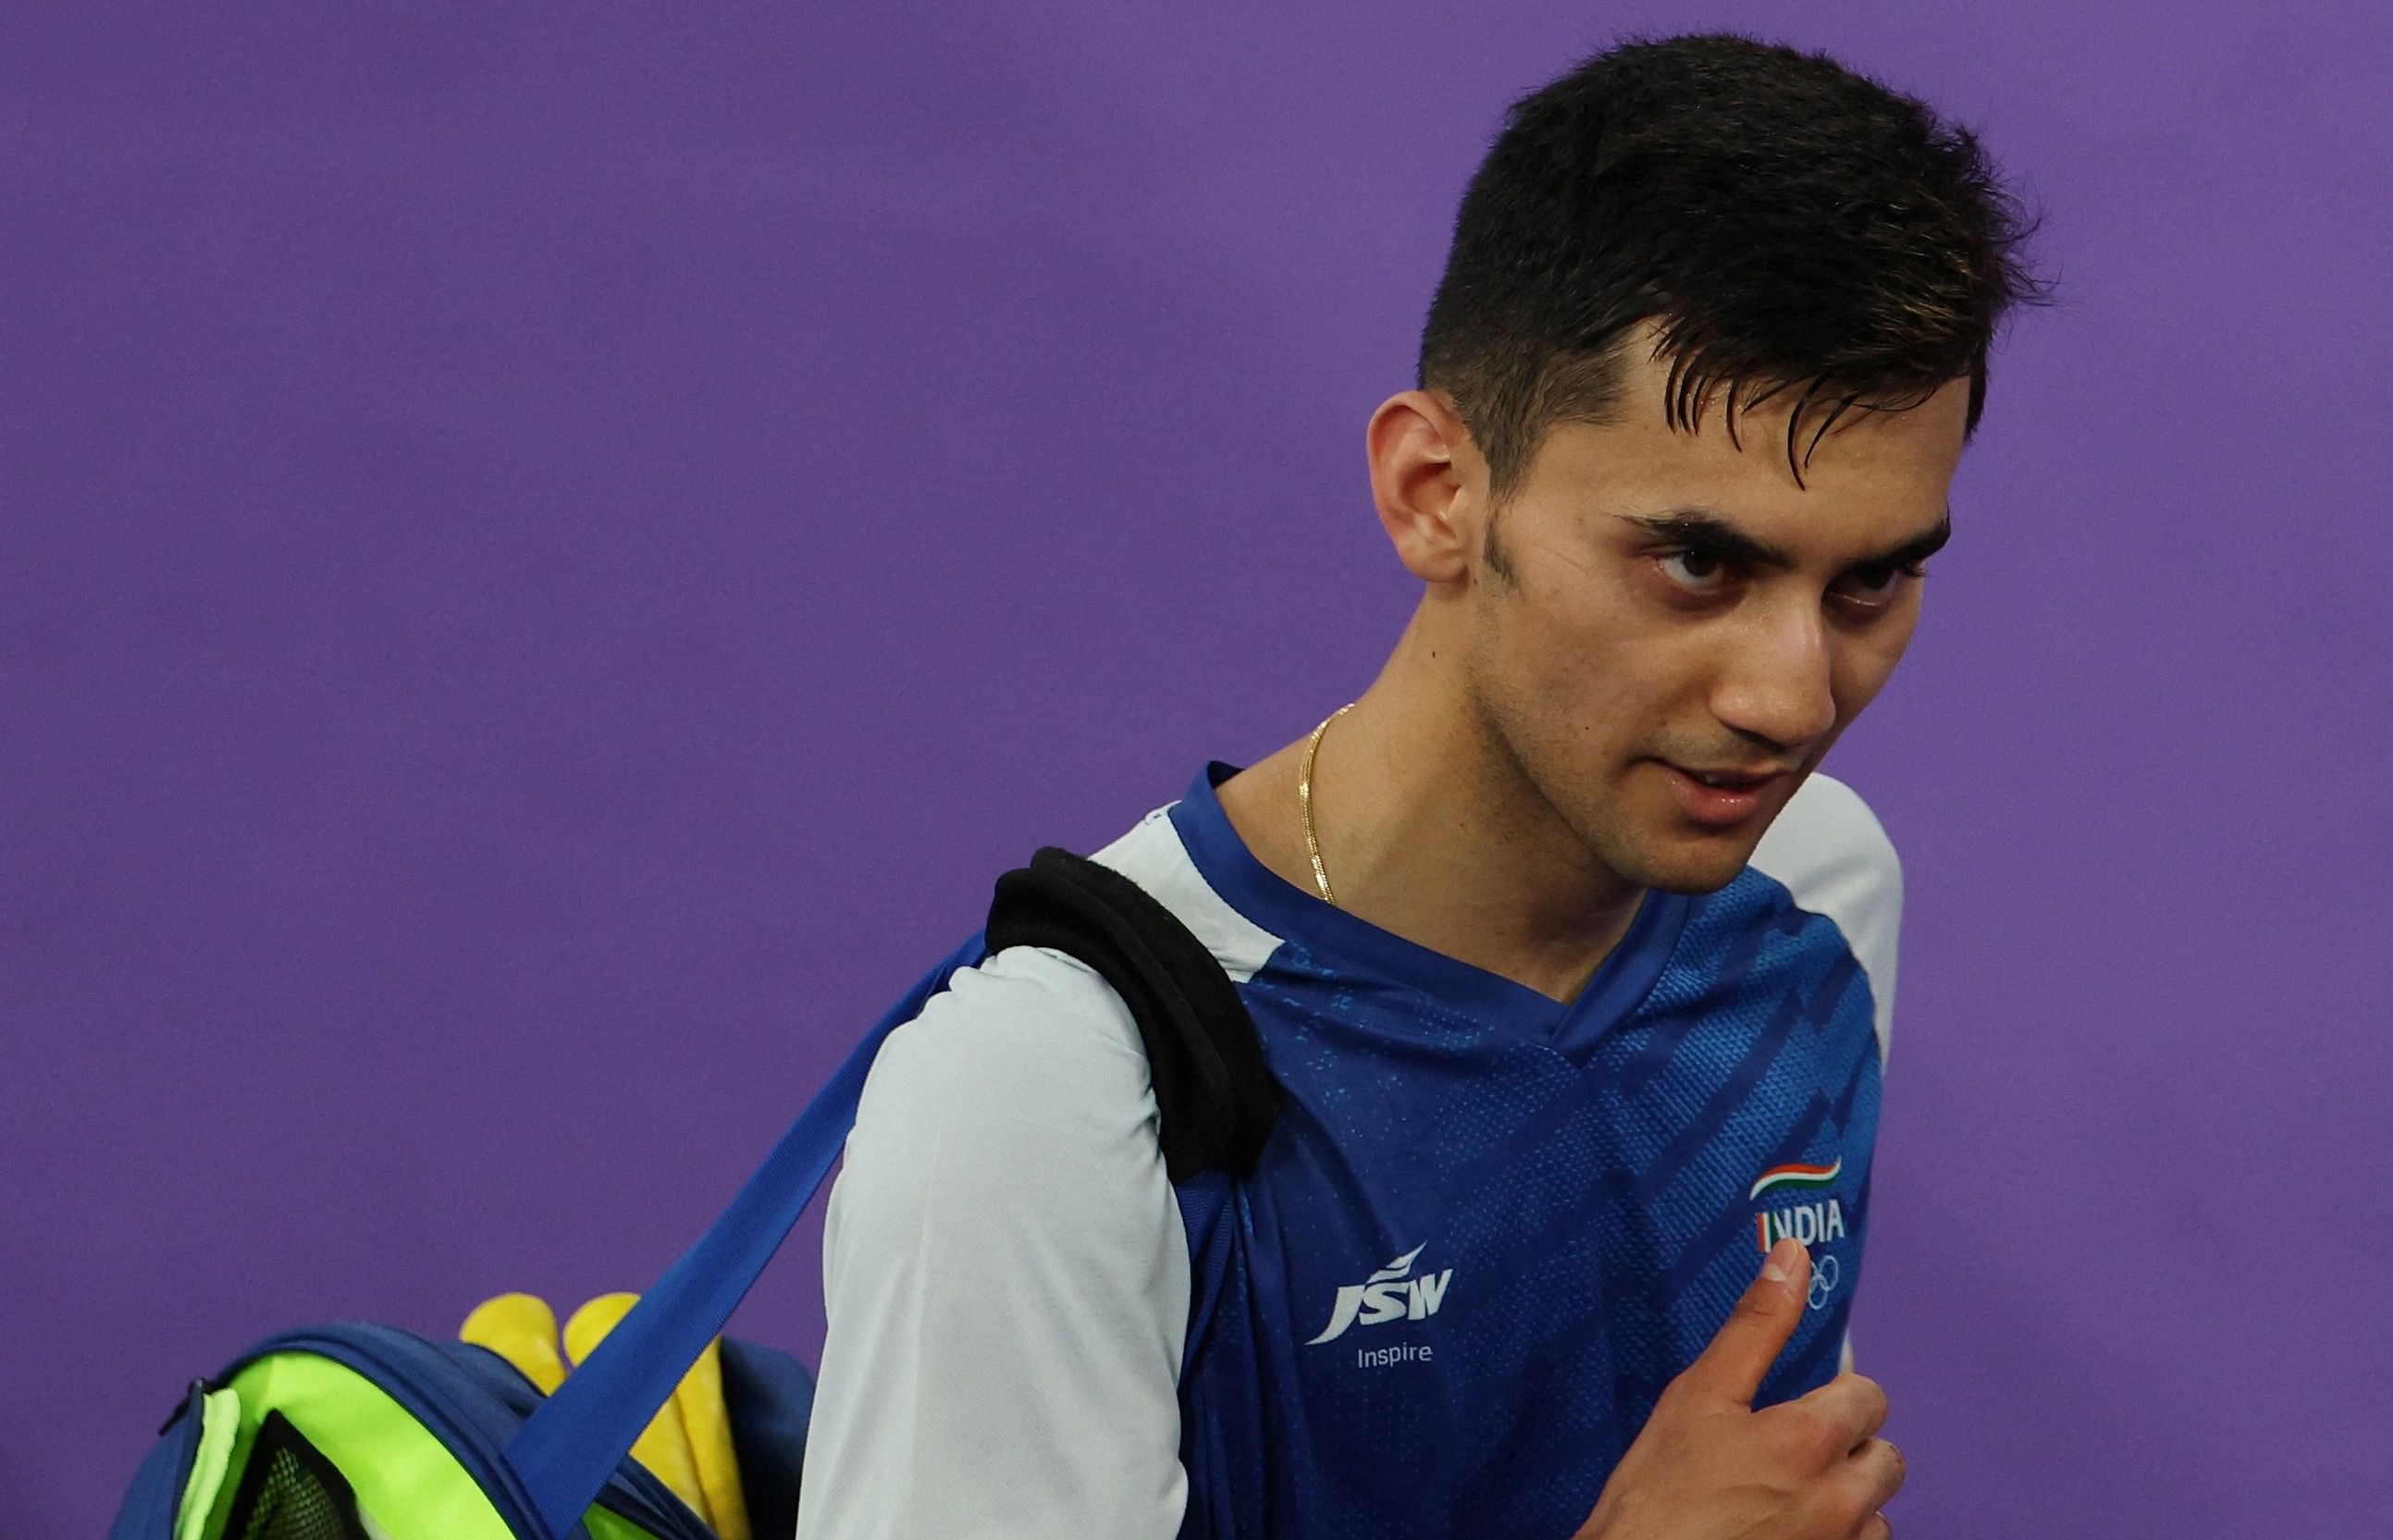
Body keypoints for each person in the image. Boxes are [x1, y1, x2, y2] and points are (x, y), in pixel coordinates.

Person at [796, 31, 2043, 1540]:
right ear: (1436, 494)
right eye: (1698, 560)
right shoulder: (1046, 1100)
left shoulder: (1816, 892)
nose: (1791, 696)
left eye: (1875, 579)